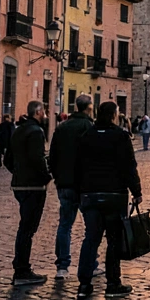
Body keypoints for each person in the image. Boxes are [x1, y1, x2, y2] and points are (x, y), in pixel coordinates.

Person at [74, 101, 141, 300]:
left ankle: (84, 285)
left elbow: (78, 166)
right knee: (113, 240)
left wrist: (80, 192)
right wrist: (136, 191)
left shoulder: (86, 136)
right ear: (114, 115)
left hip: (90, 194)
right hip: (114, 195)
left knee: (91, 239)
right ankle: (113, 283)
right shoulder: (120, 137)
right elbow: (129, 166)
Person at [49, 94, 96, 280]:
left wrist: (57, 177)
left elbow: (52, 156)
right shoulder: (88, 127)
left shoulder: (62, 127)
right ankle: (92, 264)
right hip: (84, 185)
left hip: (64, 184)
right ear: (89, 107)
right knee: (91, 227)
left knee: (64, 225)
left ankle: (62, 266)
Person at [8, 100, 52, 287]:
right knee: (28, 229)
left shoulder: (18, 130)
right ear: (38, 112)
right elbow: (37, 159)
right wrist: (46, 176)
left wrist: (19, 173)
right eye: (44, 112)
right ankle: (22, 270)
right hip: (33, 187)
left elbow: (7, 159)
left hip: (19, 185)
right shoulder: (36, 132)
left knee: (24, 228)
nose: (46, 115)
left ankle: (21, 268)